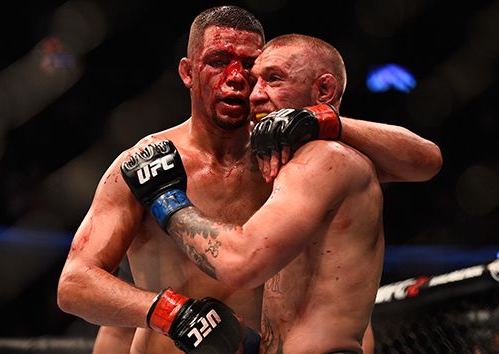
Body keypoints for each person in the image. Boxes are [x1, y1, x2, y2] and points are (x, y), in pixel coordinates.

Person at [57, 5, 441, 353]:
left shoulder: (296, 156)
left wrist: (325, 119)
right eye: (219, 61)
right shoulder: (148, 164)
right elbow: (75, 283)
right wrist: (172, 314)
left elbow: (424, 161)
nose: (237, 78)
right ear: (188, 72)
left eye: (250, 64)